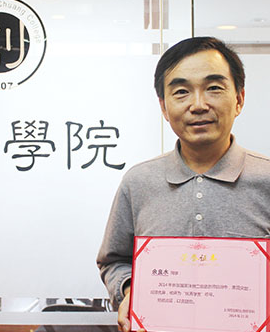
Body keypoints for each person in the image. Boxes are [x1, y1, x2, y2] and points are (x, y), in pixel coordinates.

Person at [96, 36, 270, 332]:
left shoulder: (265, 179)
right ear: (164, 108)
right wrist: (129, 291)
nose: (198, 105)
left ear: (239, 99)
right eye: (181, 92)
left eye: (214, 88)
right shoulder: (139, 181)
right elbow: (114, 261)